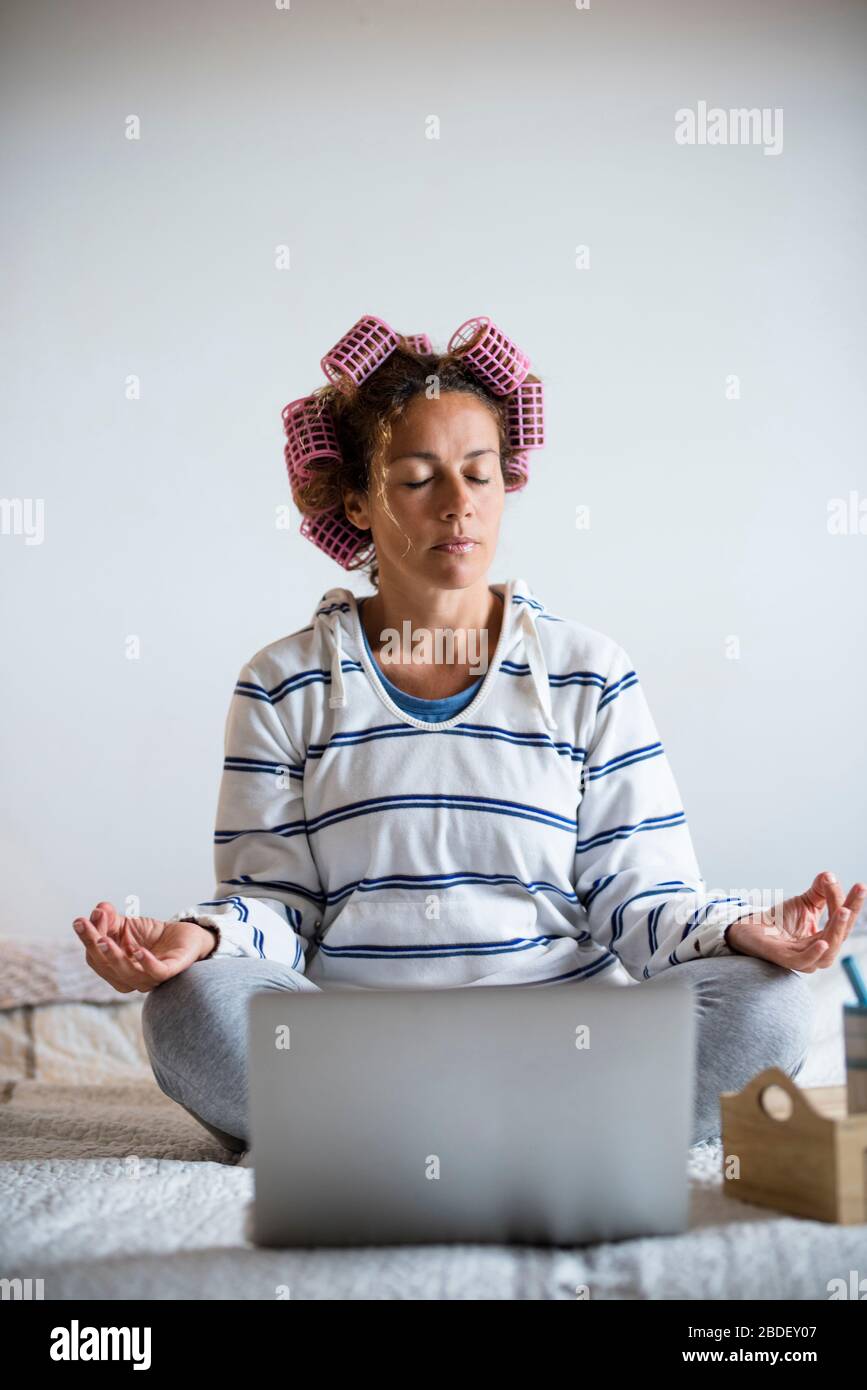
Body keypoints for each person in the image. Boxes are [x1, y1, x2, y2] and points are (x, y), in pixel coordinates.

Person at [72, 339, 866, 1153]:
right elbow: (280, 907)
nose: (458, 503)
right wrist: (201, 940)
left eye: (478, 473)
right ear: (355, 502)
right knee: (188, 1011)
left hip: (568, 1044)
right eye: (418, 479)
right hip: (362, 1048)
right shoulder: (283, 682)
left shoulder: (587, 671)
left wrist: (743, 933)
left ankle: (395, 1139)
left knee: (770, 1002)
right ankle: (524, 1136)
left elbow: (640, 897)